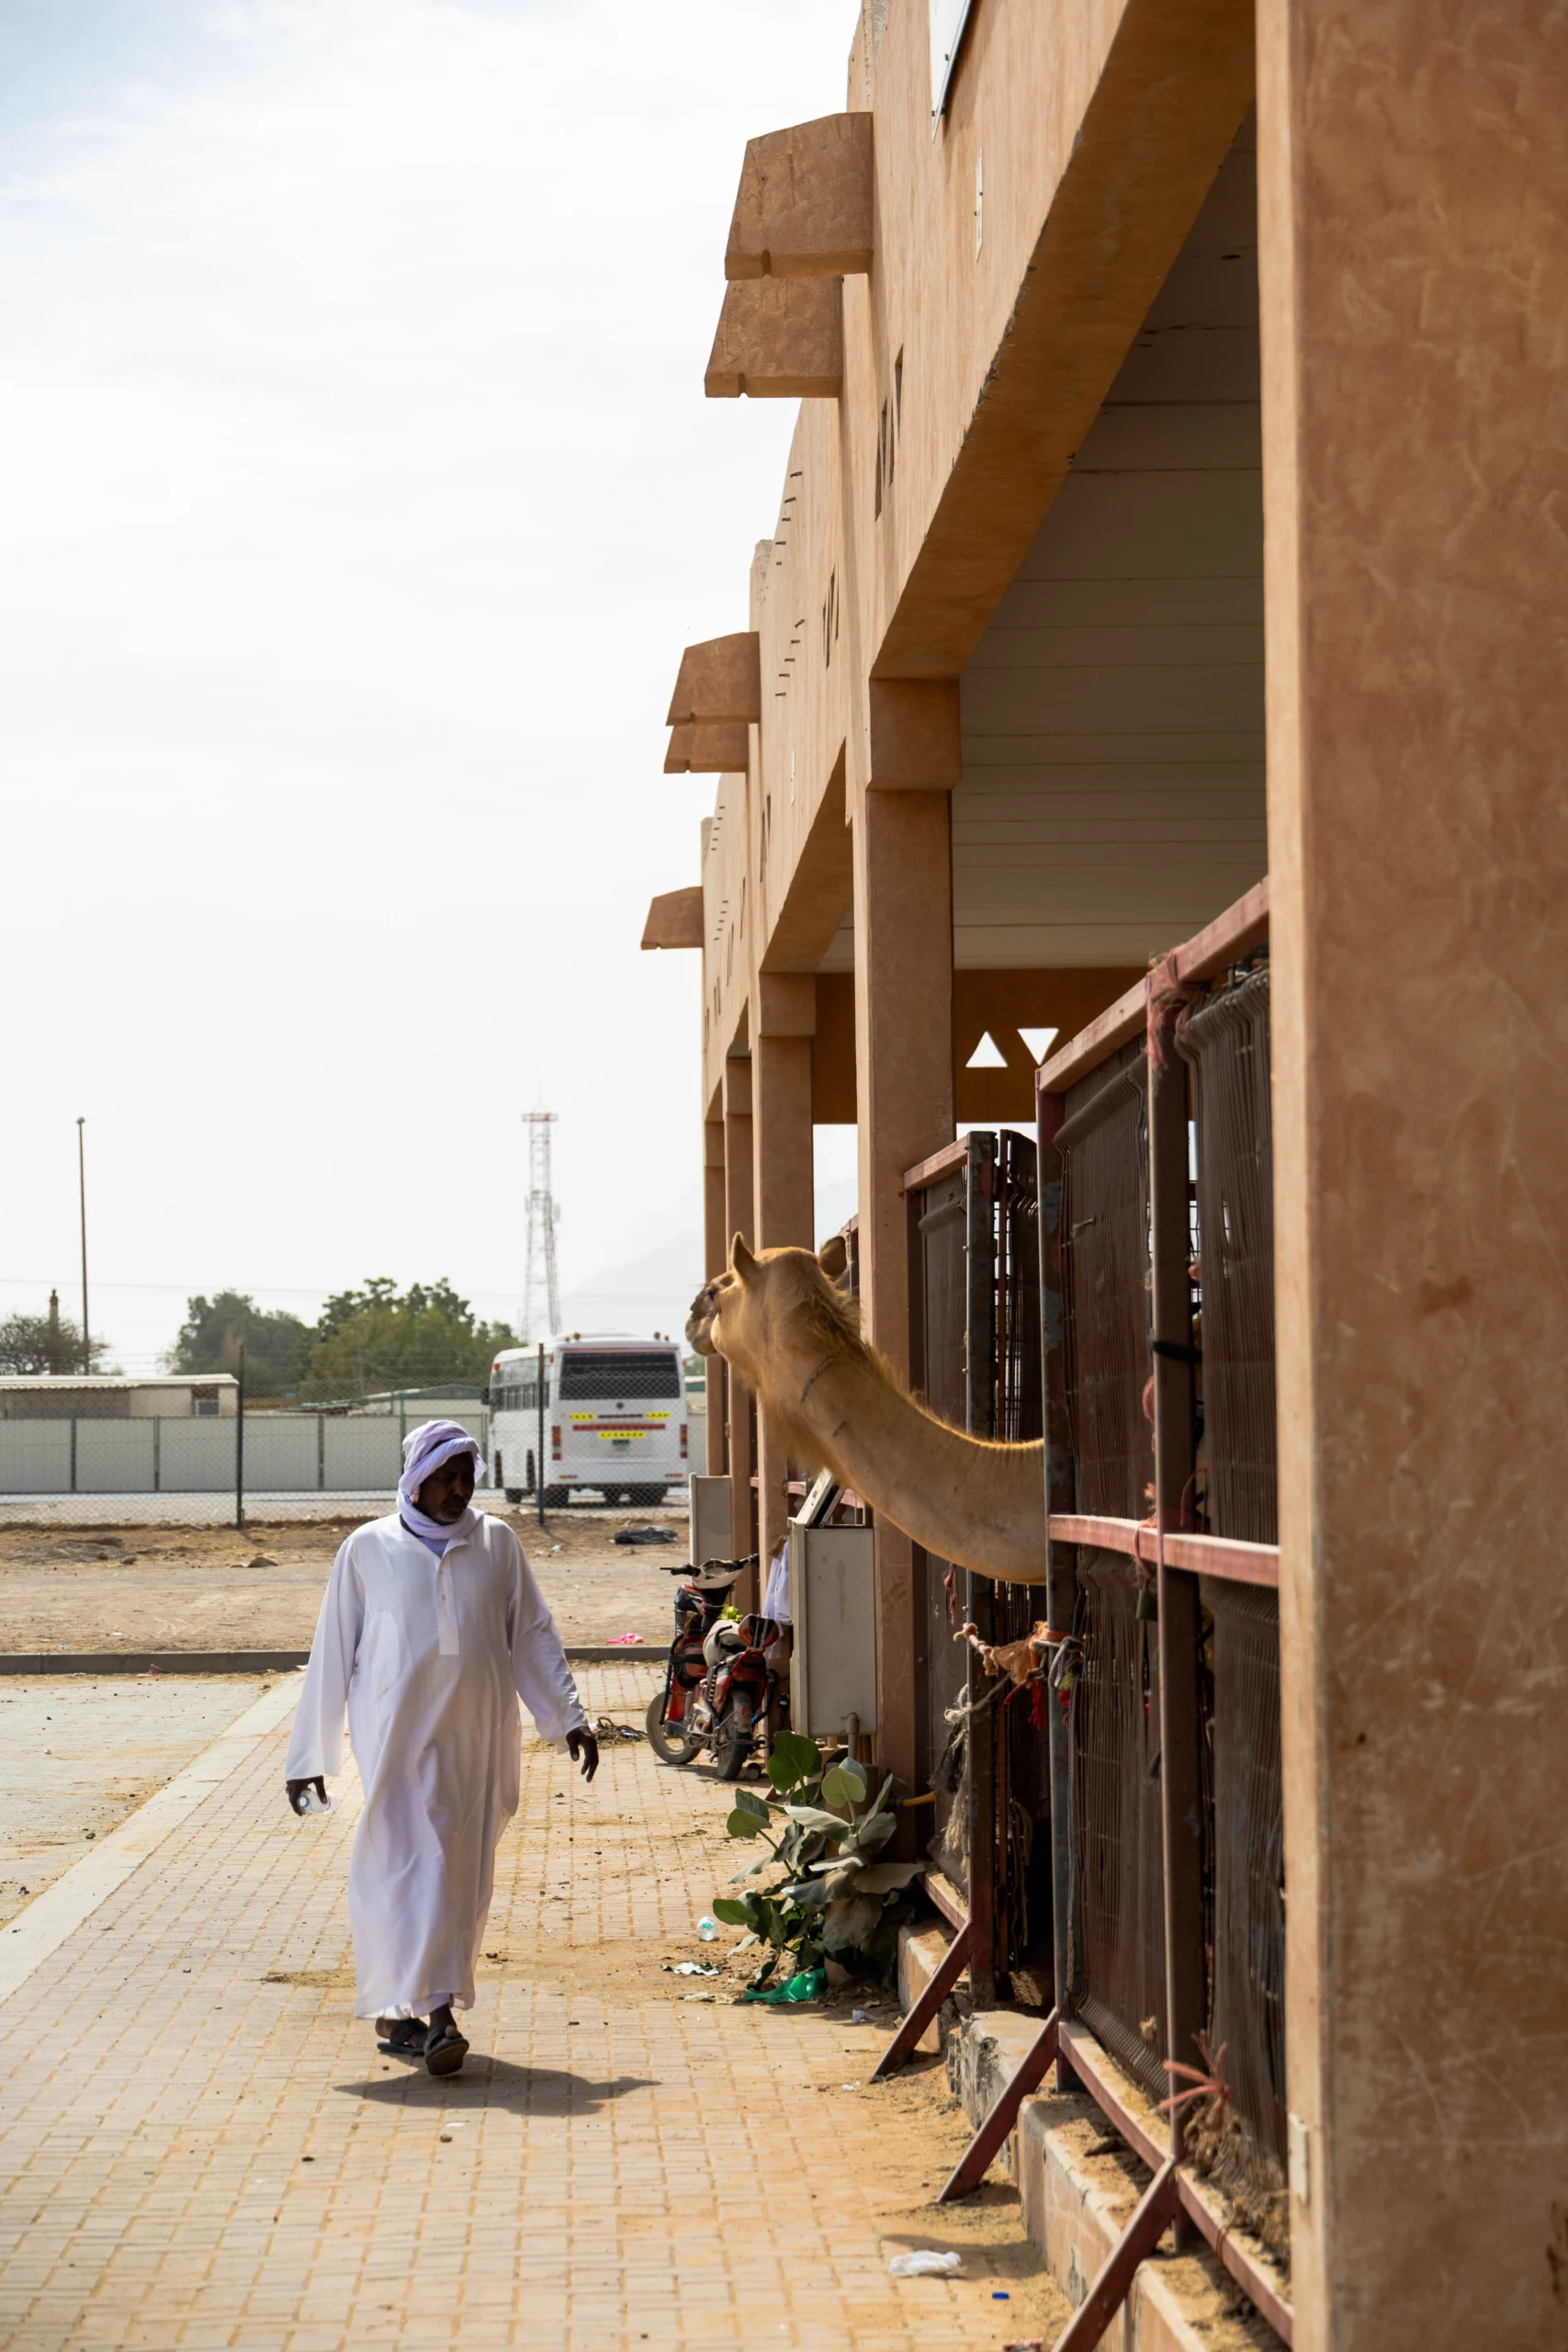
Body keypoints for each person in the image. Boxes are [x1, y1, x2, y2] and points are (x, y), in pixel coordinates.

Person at [284, 1417, 596, 2076]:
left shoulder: (496, 1542)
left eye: (465, 1478)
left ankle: (400, 2011)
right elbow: (333, 1650)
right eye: (445, 1478)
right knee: (417, 1864)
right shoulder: (368, 1548)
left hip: (478, 1740)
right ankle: (439, 2016)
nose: (458, 1490)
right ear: (416, 1481)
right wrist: (309, 1758)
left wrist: (568, 1717)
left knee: (457, 1874)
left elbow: (531, 1633)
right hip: (396, 1740)